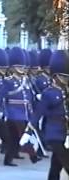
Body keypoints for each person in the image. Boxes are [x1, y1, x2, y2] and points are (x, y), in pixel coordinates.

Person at [31, 50, 69, 180]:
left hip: (65, 133)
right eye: (64, 77)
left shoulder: (66, 91)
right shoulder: (49, 93)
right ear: (55, 76)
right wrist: (29, 131)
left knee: (56, 165)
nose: (66, 79)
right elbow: (38, 113)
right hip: (54, 133)